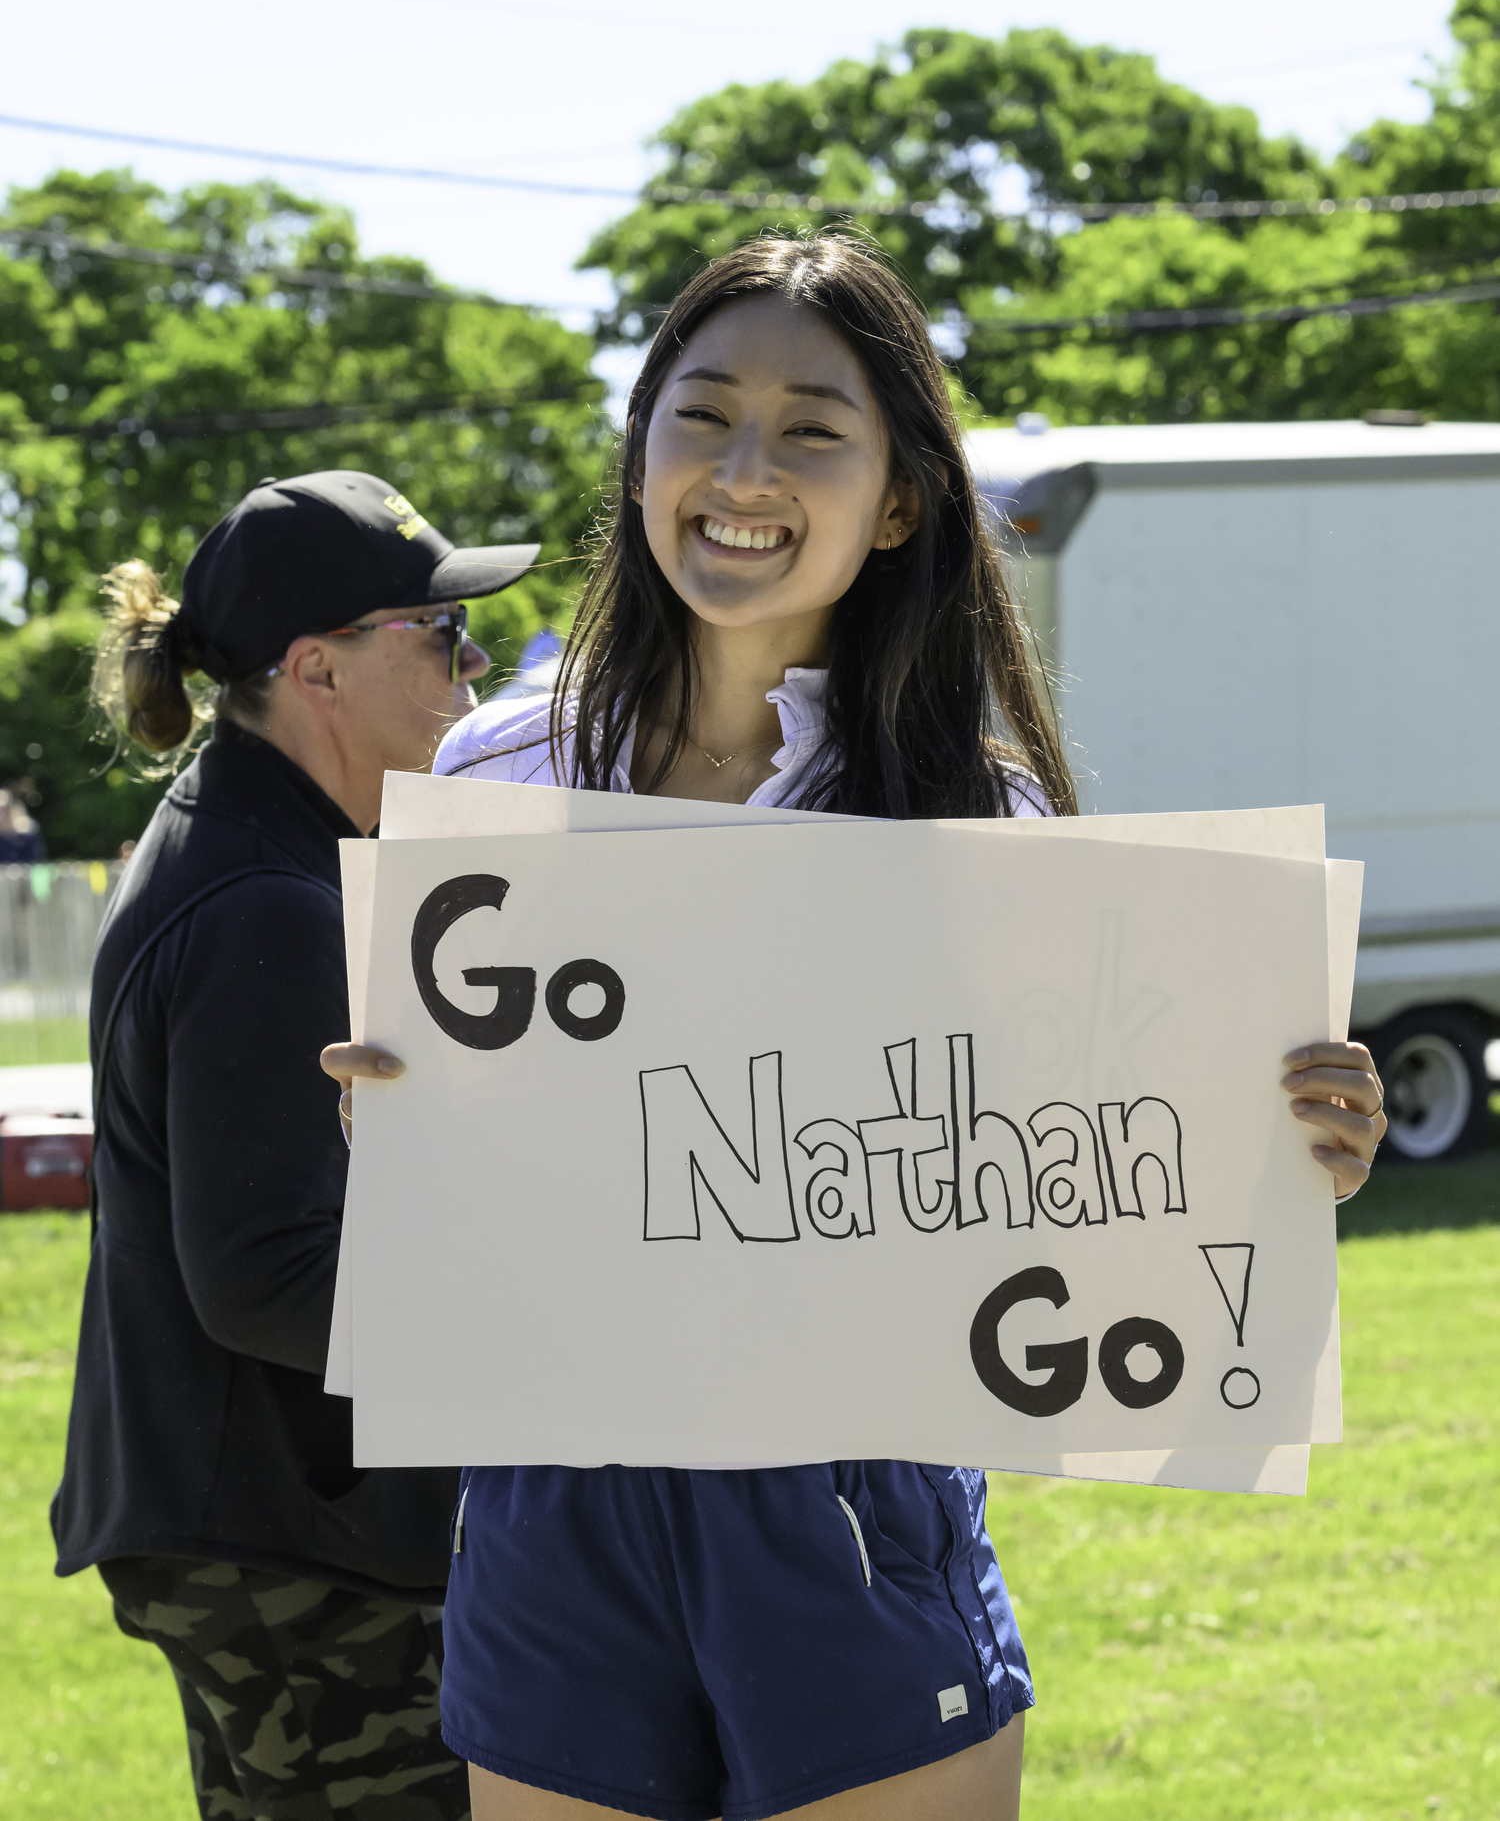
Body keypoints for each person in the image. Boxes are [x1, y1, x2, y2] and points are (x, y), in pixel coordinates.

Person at [326, 237, 1388, 1821]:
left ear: (898, 501)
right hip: (557, 1501)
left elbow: (1085, 1184)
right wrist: (389, 1122)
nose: (745, 470)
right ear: (639, 456)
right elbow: (466, 1169)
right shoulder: (493, 775)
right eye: (705, 415)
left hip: (852, 1504)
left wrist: (1280, 1151)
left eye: (813, 428)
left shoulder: (981, 814)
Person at [54, 470, 537, 1821]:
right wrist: (543, 1329)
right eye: (438, 636)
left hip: (275, 1525)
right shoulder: (267, 901)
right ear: (318, 668)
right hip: (295, 1545)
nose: (473, 664)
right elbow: (263, 1271)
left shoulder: (264, 847)